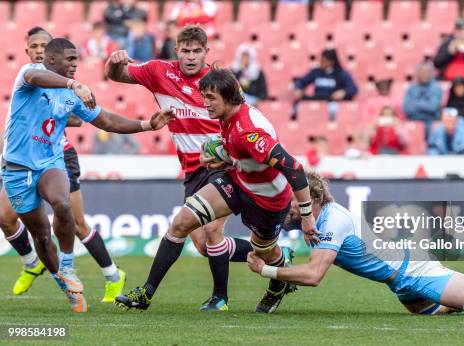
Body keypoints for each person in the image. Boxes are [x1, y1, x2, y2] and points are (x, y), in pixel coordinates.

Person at [247, 171, 464, 315]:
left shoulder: (333, 220)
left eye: (293, 199)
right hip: (399, 282)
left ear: (314, 197)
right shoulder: (323, 219)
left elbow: (313, 276)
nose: (288, 204)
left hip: (412, 271)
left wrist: (267, 270)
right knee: (439, 312)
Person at [115, 68, 318, 314]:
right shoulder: (228, 118)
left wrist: (307, 217)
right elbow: (247, 158)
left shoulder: (249, 131)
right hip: (238, 182)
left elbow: (294, 168)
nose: (205, 103)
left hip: (268, 201)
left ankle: (277, 283)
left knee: (266, 253)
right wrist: (227, 160)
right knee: (182, 222)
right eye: (204, 96)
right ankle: (146, 293)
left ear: (229, 97)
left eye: (211, 98)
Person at [2, 37, 174, 312]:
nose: (74, 65)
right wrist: (73, 83)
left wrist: (146, 125)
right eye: (69, 59)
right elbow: (36, 76)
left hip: (50, 162)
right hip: (17, 169)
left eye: (76, 60)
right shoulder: (29, 73)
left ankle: (68, 266)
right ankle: (63, 282)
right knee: (42, 236)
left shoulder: (72, 96)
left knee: (62, 202)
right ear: (51, 59)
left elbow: (105, 120)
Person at [105, 25, 256, 311]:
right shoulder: (158, 72)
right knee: (203, 244)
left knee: (211, 230)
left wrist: (235, 153)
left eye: (196, 51)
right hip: (192, 171)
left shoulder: (220, 81)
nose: (190, 56)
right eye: (185, 50)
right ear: (176, 51)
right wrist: (113, 63)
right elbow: (117, 76)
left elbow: (243, 116)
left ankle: (216, 298)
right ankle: (274, 254)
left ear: (206, 53)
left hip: (223, 167)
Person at [1, 27, 127, 303]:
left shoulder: (64, 86)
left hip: (57, 155)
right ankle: (38, 265)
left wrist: (144, 125)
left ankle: (110, 274)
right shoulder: (29, 75)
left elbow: (87, 119)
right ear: (30, 51)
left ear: (51, 54)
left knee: (71, 215)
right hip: (20, 161)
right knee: (15, 221)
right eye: (34, 45)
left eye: (43, 45)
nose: (38, 50)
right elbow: (36, 90)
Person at [292, 48, 358, 121]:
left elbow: (353, 88)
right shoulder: (315, 72)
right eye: (321, 60)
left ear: (331, 62)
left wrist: (344, 92)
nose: (321, 62)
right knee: (298, 107)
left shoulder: (341, 73)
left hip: (332, 101)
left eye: (324, 61)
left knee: (333, 109)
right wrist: (297, 88)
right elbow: (301, 81)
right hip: (317, 99)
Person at [403, 62, 442, 132]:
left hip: (431, 121)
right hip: (413, 120)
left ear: (430, 73)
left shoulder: (436, 88)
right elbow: (407, 108)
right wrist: (426, 104)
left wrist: (415, 103)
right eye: (421, 72)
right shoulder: (411, 89)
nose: (424, 74)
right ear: (417, 73)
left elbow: (433, 107)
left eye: (426, 72)